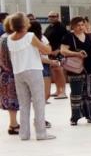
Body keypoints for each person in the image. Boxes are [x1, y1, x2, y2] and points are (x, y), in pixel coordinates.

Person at [7, 13, 55, 141]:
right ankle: (41, 133)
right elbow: (46, 51)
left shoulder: (9, 38)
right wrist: (49, 47)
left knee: (23, 104)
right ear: (23, 24)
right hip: (33, 70)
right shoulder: (30, 36)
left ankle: (24, 134)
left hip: (18, 72)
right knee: (39, 102)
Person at [61, 16, 91, 125]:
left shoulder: (87, 36)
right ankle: (75, 117)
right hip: (75, 69)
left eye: (82, 24)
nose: (80, 27)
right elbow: (63, 51)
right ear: (73, 26)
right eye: (78, 25)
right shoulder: (68, 37)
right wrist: (76, 54)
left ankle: (90, 116)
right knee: (76, 94)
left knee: (88, 93)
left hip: (89, 68)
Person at [29, 21, 60, 105]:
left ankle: (39, 107)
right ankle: (39, 110)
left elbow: (47, 51)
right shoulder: (40, 38)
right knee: (44, 92)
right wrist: (51, 61)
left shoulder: (40, 38)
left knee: (40, 92)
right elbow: (47, 51)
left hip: (36, 66)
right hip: (41, 65)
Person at [0, 16, 20, 135]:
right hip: (12, 73)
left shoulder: (3, 37)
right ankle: (13, 124)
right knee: (13, 99)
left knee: (11, 99)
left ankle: (14, 123)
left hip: (5, 73)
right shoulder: (10, 39)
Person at [44, 11, 68, 99]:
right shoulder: (49, 27)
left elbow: (65, 39)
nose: (51, 18)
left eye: (53, 16)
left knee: (59, 71)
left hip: (59, 52)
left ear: (58, 17)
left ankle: (63, 91)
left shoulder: (61, 27)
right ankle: (58, 90)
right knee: (55, 71)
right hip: (50, 53)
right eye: (49, 16)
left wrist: (58, 50)